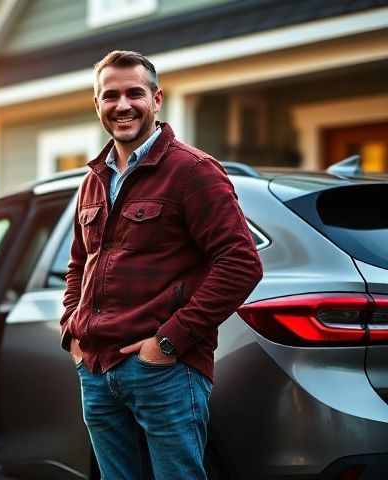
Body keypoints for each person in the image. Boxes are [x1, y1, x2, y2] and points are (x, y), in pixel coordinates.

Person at [60, 50, 263, 479]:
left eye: (135, 93)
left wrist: (169, 341)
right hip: (96, 370)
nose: (122, 105)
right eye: (110, 95)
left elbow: (241, 263)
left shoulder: (193, 171)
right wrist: (72, 332)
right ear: (97, 105)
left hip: (162, 374)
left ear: (156, 99)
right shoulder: (92, 179)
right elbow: (80, 263)